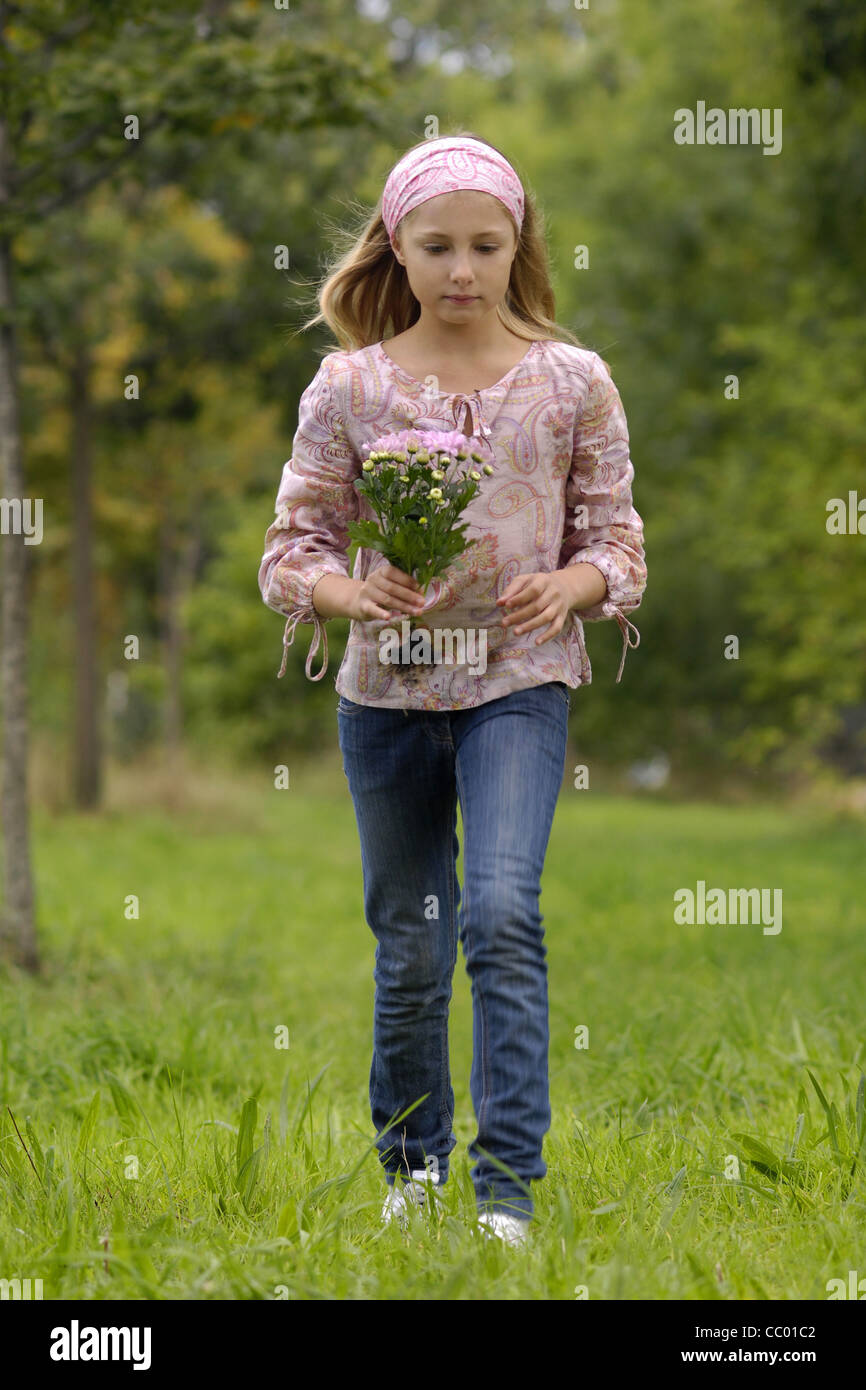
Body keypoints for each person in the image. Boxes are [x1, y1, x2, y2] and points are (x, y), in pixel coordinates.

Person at [257, 132, 647, 1247]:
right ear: (398, 246)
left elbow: (615, 538)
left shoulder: (573, 381)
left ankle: (504, 1191)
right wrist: (348, 594)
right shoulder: (350, 385)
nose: (462, 269)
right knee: (414, 938)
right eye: (437, 247)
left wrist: (572, 585)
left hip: (516, 685)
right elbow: (292, 545)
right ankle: (412, 1170)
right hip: (387, 696)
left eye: (486, 244)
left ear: (518, 243)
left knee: (500, 912)